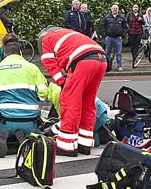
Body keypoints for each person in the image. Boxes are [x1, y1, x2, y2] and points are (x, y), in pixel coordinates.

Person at [38, 26, 107, 156]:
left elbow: (49, 63)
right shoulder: (69, 34)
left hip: (83, 61)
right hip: (101, 59)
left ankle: (66, 145)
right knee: (88, 102)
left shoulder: (46, 39)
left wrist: (62, 82)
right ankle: (84, 144)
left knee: (70, 101)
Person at [0, 40, 49, 157]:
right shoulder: (32, 68)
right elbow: (44, 93)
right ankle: (29, 139)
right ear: (20, 53)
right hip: (29, 121)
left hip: (4, 121)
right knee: (38, 134)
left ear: (5, 54)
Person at [101, 4, 127, 71]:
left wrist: (123, 35)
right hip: (109, 37)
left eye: (116, 8)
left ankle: (119, 66)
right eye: (114, 8)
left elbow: (125, 27)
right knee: (107, 52)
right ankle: (106, 66)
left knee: (119, 53)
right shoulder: (107, 17)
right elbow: (103, 26)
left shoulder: (122, 18)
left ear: (118, 9)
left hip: (118, 38)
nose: (115, 9)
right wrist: (105, 35)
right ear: (111, 9)